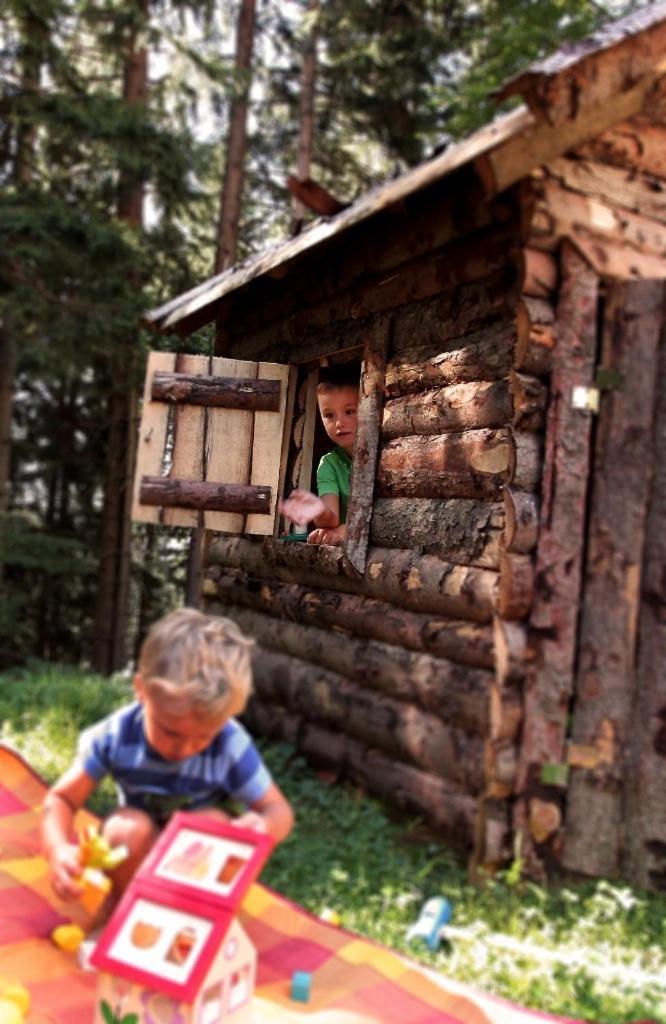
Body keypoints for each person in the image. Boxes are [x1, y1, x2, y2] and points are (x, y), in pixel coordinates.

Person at [41, 608, 294, 910]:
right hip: (140, 847)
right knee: (123, 831)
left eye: (204, 737)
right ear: (141, 691)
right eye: (170, 732)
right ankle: (126, 911)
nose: (185, 749)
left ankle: (194, 917)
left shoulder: (230, 743)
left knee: (209, 823)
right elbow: (61, 800)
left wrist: (264, 826)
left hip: (200, 861)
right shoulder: (116, 735)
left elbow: (278, 810)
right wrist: (58, 850)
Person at [280, 363, 359, 545]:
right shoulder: (329, 464)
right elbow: (330, 518)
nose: (339, 423)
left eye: (349, 412)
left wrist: (344, 531)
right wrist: (318, 511)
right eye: (329, 415)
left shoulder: (387, 453)